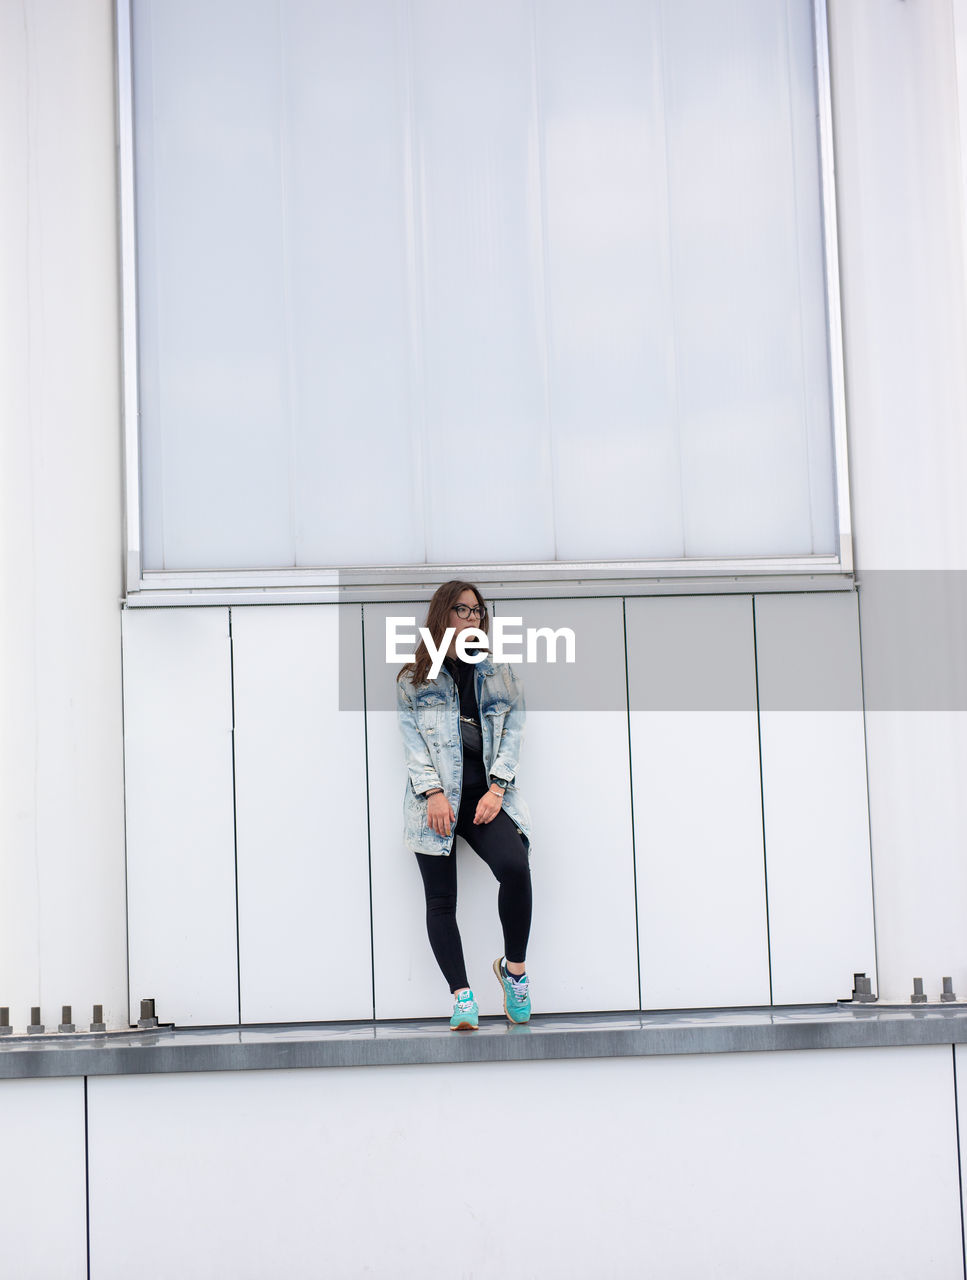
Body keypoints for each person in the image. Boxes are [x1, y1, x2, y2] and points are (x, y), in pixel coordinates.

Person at [396, 580, 533, 1030]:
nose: (472, 618)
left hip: (484, 797)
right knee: (441, 901)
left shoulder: (498, 672)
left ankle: (514, 973)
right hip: (433, 800)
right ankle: (462, 998)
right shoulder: (414, 679)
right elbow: (413, 746)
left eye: (478, 612)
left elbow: (513, 729)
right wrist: (433, 794)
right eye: (463, 610)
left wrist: (497, 789)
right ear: (443, 616)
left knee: (514, 867)